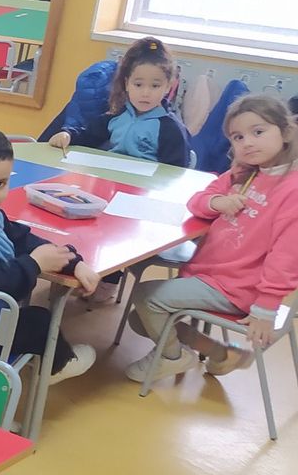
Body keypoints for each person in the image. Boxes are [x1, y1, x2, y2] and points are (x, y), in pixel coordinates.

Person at [126, 94, 298, 382]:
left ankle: (173, 358)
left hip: (240, 288)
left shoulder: (291, 189)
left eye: (259, 131)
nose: (248, 143)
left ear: (286, 132)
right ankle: (223, 355)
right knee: (139, 318)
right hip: (209, 274)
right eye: (238, 137)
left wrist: (265, 309)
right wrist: (217, 202)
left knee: (146, 298)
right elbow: (197, 200)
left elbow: (287, 257)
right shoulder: (245, 173)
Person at [0, 126, 100, 384]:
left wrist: (73, 263)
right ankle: (59, 365)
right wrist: (34, 264)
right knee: (40, 321)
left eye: (0, 183)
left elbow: (27, 240)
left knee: (34, 312)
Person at [49, 37, 190, 168]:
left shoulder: (171, 128)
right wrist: (68, 135)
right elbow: (88, 136)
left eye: (155, 86)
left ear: (167, 87)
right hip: (110, 180)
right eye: (138, 85)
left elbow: (175, 172)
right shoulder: (116, 115)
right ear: (127, 84)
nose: (146, 93)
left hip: (144, 188)